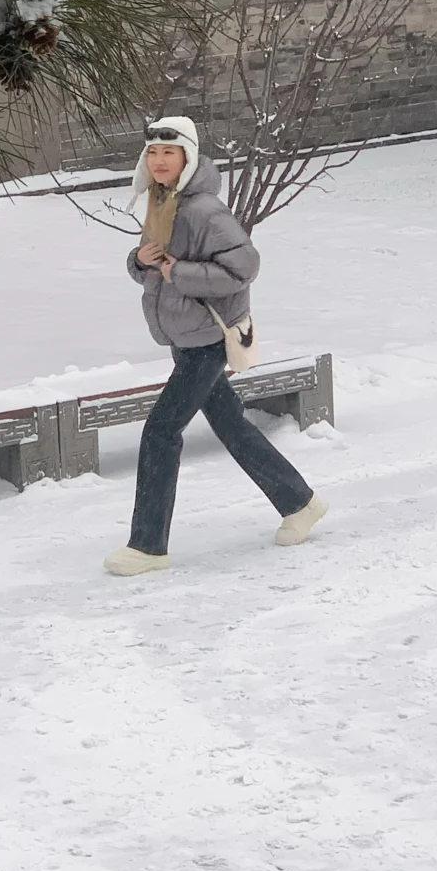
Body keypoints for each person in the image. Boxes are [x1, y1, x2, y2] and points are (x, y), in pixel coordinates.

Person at [105, 115, 328, 576]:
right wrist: (140, 260)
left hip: (207, 341)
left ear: (187, 157)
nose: (159, 160)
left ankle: (148, 545)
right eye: (152, 152)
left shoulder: (204, 210)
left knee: (160, 431)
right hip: (183, 338)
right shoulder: (161, 202)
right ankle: (299, 502)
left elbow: (243, 269)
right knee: (232, 426)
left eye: (169, 152)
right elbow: (153, 270)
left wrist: (176, 272)